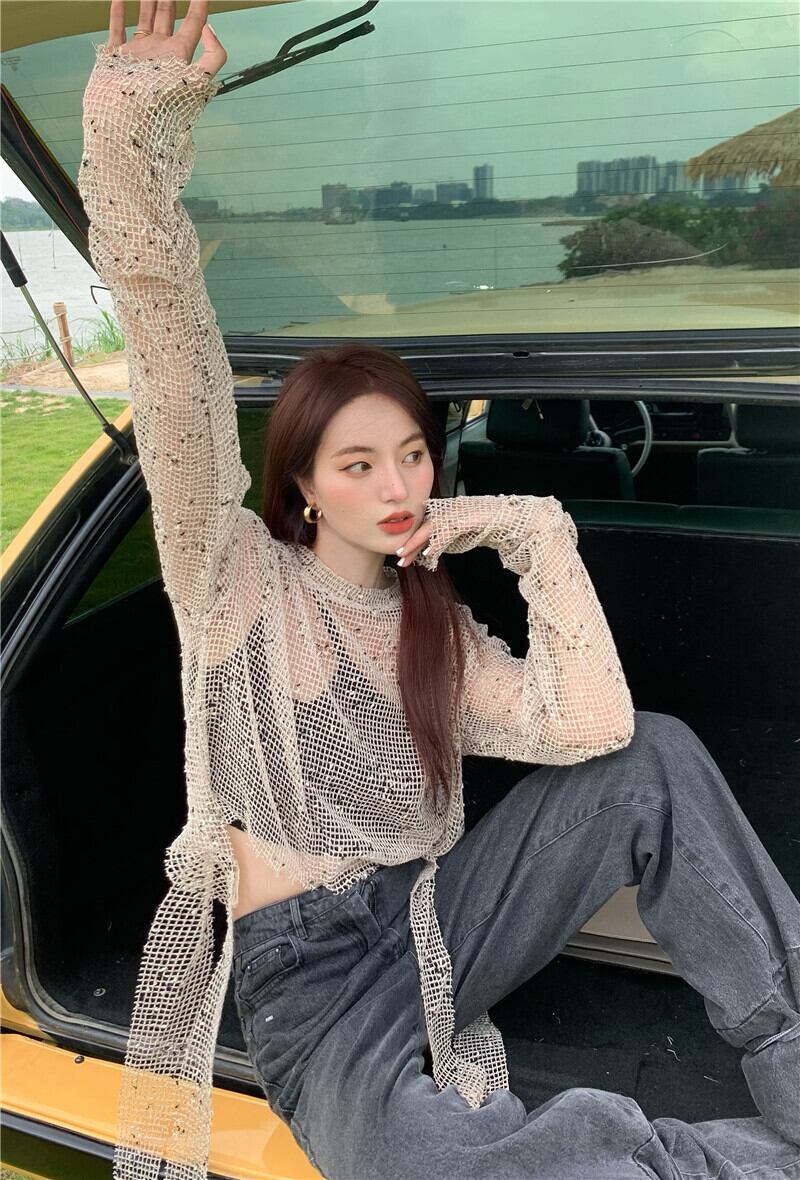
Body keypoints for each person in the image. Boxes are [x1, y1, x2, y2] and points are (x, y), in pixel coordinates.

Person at [80, 4, 800, 1178]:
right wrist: (132, 146)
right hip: (310, 987)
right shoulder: (232, 575)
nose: (396, 483)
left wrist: (528, 526)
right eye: (356, 464)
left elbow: (593, 728)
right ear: (299, 484)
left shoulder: (437, 632)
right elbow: (174, 367)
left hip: (431, 926)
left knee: (656, 757)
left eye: (412, 454)